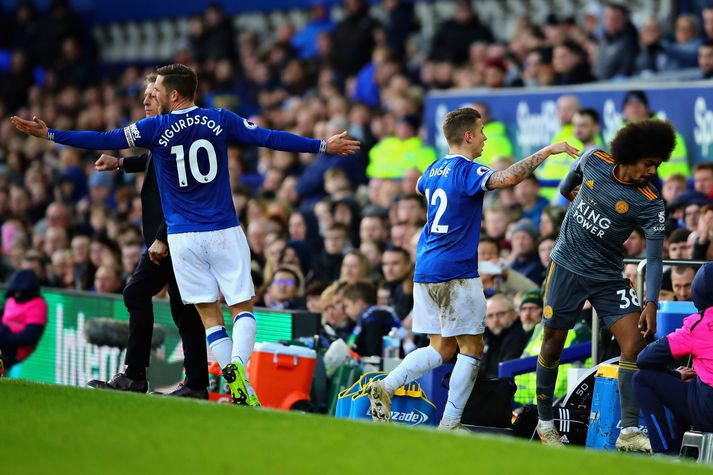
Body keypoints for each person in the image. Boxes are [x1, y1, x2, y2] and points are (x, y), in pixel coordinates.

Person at [11, 63, 359, 406]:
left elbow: (105, 138)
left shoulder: (155, 128)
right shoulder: (220, 119)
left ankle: (239, 388)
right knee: (240, 307)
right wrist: (322, 146)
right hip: (222, 229)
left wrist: (51, 134)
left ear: (173, 94)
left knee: (208, 315)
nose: (153, 94)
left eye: (157, 90)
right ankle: (237, 366)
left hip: (183, 238)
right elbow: (268, 138)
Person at [365, 106, 578, 430]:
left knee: (441, 347)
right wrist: (547, 150)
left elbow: (421, 184)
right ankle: (450, 423)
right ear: (467, 136)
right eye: (481, 132)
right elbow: (506, 178)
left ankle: (387, 385)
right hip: (455, 271)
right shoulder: (468, 170)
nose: (485, 138)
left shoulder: (434, 168)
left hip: (425, 268)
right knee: (472, 348)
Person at [535, 120, 676, 452]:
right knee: (553, 343)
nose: (653, 171)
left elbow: (654, 259)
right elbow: (565, 186)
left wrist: (651, 302)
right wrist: (578, 198)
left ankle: (628, 429)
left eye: (657, 164)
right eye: (649, 163)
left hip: (608, 276)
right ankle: (544, 423)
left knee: (636, 342)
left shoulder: (650, 201)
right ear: (630, 155)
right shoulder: (594, 158)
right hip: (566, 266)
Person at [85, 74, 210, 397]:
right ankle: (196, 383)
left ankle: (135, 375)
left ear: (170, 97)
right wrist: (121, 164)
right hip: (177, 237)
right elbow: (155, 161)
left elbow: (184, 194)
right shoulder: (170, 135)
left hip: (172, 238)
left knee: (136, 293)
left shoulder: (175, 134)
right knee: (183, 308)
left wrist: (163, 237)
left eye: (152, 95)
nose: (145, 101)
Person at [633, 262, 713, 454]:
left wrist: (675, 375)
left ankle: (664, 452)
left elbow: (644, 359)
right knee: (689, 388)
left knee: (642, 379)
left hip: (708, 411)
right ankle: (682, 451)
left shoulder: (699, 325)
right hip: (701, 397)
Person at [0, 269, 47, 370]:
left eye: (19, 292)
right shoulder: (11, 300)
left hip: (13, 351)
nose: (16, 295)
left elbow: (30, 336)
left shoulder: (38, 304)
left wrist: (3, 336)